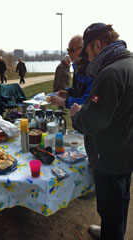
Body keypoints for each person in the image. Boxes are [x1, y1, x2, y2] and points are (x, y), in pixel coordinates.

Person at [70, 23, 133, 240]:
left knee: (110, 208)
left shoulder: (110, 74)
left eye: (87, 51)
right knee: (120, 204)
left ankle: (111, 234)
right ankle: (111, 231)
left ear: (97, 44)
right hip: (125, 149)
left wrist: (78, 113)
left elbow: (94, 121)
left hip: (110, 155)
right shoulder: (128, 63)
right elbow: (115, 110)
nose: (88, 58)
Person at [50, 35, 94, 109]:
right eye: (68, 50)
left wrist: (64, 102)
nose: (69, 53)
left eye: (72, 50)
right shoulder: (77, 66)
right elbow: (77, 90)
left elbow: (88, 101)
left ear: (83, 49)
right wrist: (68, 93)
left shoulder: (91, 70)